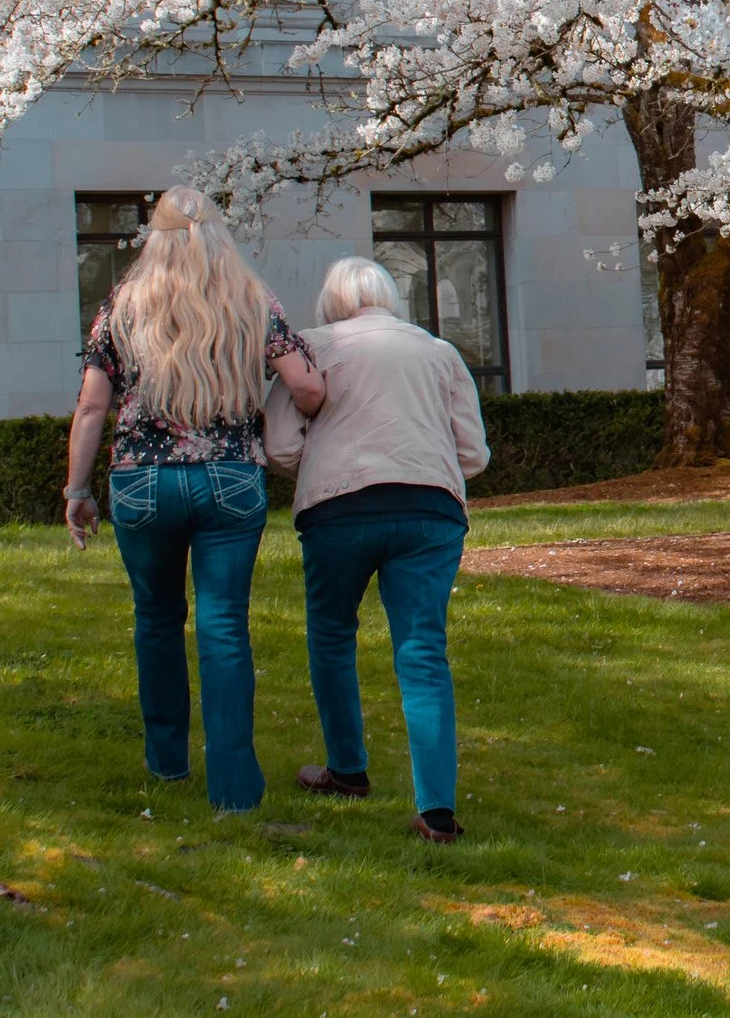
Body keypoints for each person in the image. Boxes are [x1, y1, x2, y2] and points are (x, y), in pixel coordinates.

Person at [63, 187, 323, 813]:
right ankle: (234, 791)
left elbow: (93, 406)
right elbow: (307, 388)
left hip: (142, 483)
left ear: (154, 241)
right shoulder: (253, 304)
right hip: (232, 480)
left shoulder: (121, 307)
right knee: (224, 625)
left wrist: (77, 490)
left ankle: (166, 764)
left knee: (156, 618)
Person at [266, 256, 487, 843]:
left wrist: (317, 465)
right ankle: (436, 811)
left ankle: (347, 769)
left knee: (333, 635)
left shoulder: (308, 348)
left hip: (338, 508)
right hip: (430, 511)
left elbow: (281, 445)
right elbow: (474, 453)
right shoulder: (439, 351)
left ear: (330, 301)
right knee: (422, 652)